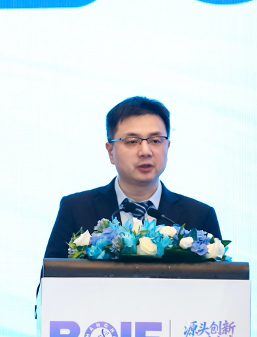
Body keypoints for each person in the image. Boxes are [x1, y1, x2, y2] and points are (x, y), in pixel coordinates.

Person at [43, 96, 221, 259]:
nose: (145, 151)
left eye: (155, 140)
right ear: (110, 152)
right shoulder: (76, 209)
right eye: (132, 141)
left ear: (167, 146)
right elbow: (51, 280)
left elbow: (218, 280)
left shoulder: (199, 216)